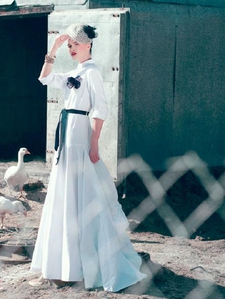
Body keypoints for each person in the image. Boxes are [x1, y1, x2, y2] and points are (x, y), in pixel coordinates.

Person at [29, 24, 147, 292]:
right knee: (66, 195)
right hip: (67, 137)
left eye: (74, 45)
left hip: (80, 136)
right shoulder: (76, 71)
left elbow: (100, 109)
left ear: (87, 45)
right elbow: (44, 78)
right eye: (69, 46)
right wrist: (54, 48)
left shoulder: (92, 72)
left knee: (83, 195)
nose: (71, 49)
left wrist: (94, 144)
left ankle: (84, 263)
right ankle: (66, 264)